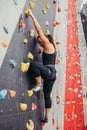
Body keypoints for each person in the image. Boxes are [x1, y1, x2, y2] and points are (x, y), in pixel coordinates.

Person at [27, 9, 57, 124]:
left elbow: (39, 30)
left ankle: (39, 85)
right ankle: (46, 117)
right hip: (52, 74)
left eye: (40, 41)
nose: (39, 43)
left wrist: (32, 15)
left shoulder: (48, 44)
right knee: (47, 95)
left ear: (44, 39)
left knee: (33, 64)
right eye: (39, 42)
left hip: (50, 72)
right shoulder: (50, 48)